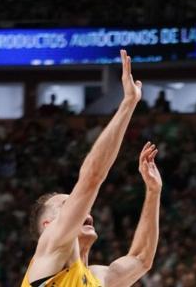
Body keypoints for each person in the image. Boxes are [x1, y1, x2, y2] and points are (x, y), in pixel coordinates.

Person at [21, 50, 161, 286]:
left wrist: (153, 192)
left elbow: (141, 259)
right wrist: (128, 104)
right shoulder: (50, 247)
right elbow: (91, 178)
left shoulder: (99, 278)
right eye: (67, 204)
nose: (84, 209)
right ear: (48, 226)